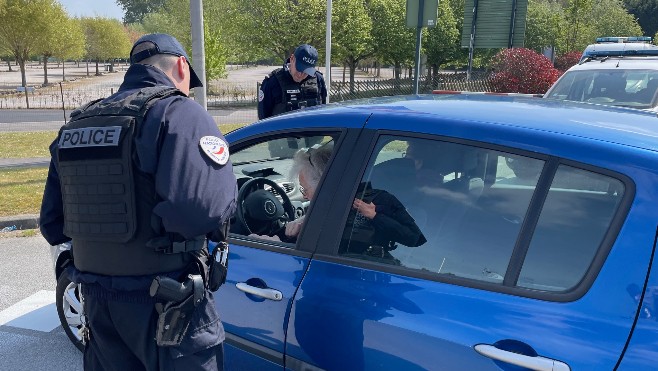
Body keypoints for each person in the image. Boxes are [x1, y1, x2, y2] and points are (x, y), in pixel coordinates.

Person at [39, 33, 237, 371]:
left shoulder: (77, 125)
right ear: (180, 66)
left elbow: (53, 225)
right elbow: (201, 210)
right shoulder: (180, 113)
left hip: (100, 307)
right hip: (168, 305)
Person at [257, 44, 328, 120]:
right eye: (299, 69)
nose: (301, 75)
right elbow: (263, 119)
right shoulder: (272, 82)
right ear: (292, 59)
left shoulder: (318, 79)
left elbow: (322, 109)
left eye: (306, 71)